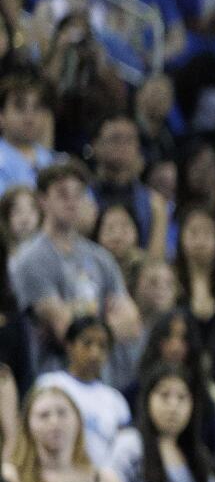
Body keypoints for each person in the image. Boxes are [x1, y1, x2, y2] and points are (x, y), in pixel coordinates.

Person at [10, 159, 141, 374]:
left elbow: (133, 324)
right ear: (42, 200)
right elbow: (66, 332)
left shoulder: (100, 258)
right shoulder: (31, 259)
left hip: (104, 378)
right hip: (55, 376)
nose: (71, 201)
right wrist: (108, 323)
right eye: (62, 194)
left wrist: (85, 326)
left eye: (78, 193)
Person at [41, 316, 128, 464]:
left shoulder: (115, 400)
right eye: (87, 343)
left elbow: (122, 451)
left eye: (102, 346)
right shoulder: (50, 384)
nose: (94, 353)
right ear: (69, 346)